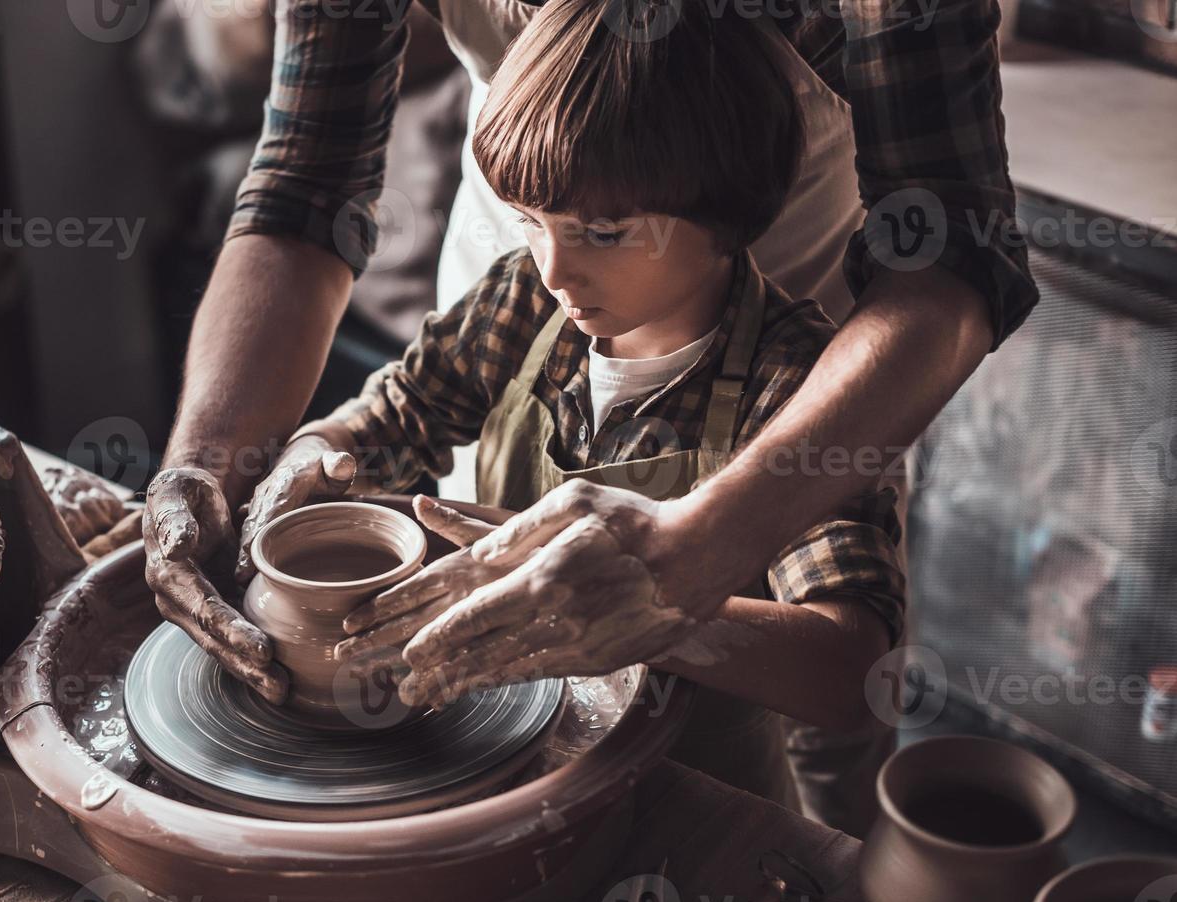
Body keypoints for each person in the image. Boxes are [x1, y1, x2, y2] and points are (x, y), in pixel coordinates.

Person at [143, 0, 1036, 830]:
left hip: (794, 345)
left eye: (596, 235)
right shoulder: (528, 294)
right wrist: (241, 462)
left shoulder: (782, 371)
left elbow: (845, 671)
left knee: (815, 817)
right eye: (538, 231)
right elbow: (309, 185)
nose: (557, 272)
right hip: (545, 176)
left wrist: (691, 571)